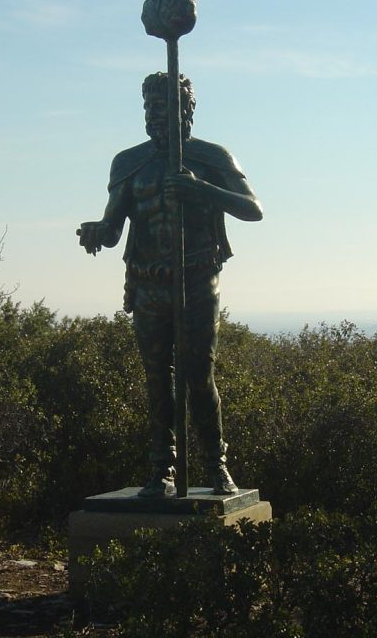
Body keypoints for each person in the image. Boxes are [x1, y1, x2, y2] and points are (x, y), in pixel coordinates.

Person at [77, 72, 263, 497]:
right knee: (157, 379)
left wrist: (203, 190)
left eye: (163, 106)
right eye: (149, 107)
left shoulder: (210, 157)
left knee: (199, 374)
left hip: (197, 278)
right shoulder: (129, 162)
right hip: (148, 282)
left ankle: (216, 465)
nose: (154, 115)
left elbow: (253, 209)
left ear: (186, 109)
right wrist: (96, 232)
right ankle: (161, 468)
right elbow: (113, 227)